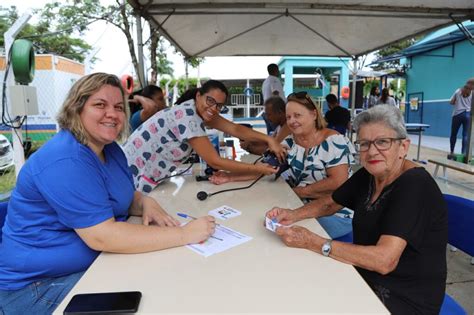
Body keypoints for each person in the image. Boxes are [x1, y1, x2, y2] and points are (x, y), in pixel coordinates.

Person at [0, 73, 216, 314]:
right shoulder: (65, 160)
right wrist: (184, 234)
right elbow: (103, 236)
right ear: (76, 109)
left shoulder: (110, 149)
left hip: (97, 263)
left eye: (118, 107)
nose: (112, 114)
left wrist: (145, 201)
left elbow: (123, 196)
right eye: (99, 105)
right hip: (37, 288)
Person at [266, 105, 447, 314]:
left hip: (402, 297)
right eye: (364, 143)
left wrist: (313, 242)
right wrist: (292, 214)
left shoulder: (415, 185)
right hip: (363, 276)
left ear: (403, 147)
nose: (371, 151)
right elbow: (330, 203)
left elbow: (384, 260)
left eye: (382, 142)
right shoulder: (370, 174)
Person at [211, 91, 355, 238]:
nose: (292, 121)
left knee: (277, 233)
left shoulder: (334, 141)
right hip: (300, 206)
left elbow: (338, 182)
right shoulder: (291, 141)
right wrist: (230, 177)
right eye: (288, 117)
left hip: (336, 213)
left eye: (297, 115)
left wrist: (299, 192)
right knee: (260, 222)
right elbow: (266, 168)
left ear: (313, 114)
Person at [123, 80, 285, 194]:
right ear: (198, 96)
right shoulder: (188, 117)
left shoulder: (198, 110)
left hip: (143, 174)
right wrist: (260, 169)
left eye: (219, 105)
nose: (213, 108)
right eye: (210, 100)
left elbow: (234, 128)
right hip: (131, 176)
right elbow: (215, 161)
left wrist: (269, 140)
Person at [448, 84, 472, 158]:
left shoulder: (458, 91)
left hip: (457, 114)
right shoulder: (472, 93)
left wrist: (457, 103)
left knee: (453, 134)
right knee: (465, 135)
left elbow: (451, 102)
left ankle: (452, 152)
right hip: (468, 115)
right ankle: (463, 153)